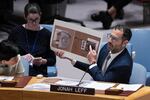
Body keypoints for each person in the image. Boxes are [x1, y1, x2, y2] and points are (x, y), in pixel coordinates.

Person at [56, 24, 133, 84]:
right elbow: (94, 69)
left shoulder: (124, 64)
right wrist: (70, 57)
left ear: (124, 43)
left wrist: (93, 62)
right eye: (110, 36)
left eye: (114, 39)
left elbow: (103, 81)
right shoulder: (106, 48)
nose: (109, 41)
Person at [8, 3, 56, 77]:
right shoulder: (16, 32)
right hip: (18, 71)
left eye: (36, 19)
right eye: (31, 20)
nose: (34, 23)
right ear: (25, 16)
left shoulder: (47, 35)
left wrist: (43, 61)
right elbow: (7, 54)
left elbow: (52, 60)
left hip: (39, 73)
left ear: (40, 15)